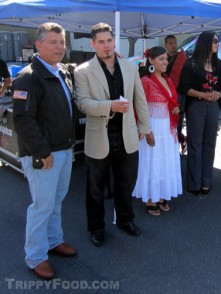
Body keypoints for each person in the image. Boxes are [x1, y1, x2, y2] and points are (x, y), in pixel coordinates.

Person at [74, 23, 150, 246]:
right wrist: (110, 106)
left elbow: (140, 98)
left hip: (127, 135)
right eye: (101, 42)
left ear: (114, 41)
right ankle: (96, 227)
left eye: (109, 41)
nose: (106, 46)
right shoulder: (82, 71)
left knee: (125, 183)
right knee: (95, 189)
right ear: (93, 44)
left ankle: (126, 220)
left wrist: (144, 126)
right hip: (99, 136)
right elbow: (83, 103)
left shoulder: (129, 66)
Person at [12, 22, 77, 280]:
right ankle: (36, 257)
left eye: (62, 42)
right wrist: (42, 152)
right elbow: (23, 120)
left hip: (64, 150)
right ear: (38, 45)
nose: (60, 47)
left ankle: (54, 240)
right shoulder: (28, 77)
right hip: (44, 156)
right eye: (53, 42)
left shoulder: (62, 71)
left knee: (56, 201)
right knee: (41, 206)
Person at [132, 46, 182, 215]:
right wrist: (146, 130)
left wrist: (175, 108)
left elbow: (171, 101)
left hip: (167, 126)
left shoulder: (166, 79)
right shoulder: (146, 80)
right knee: (152, 161)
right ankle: (150, 199)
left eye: (166, 59)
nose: (165, 62)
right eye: (161, 59)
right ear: (151, 61)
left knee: (164, 161)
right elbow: (140, 106)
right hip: (153, 126)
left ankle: (160, 195)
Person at [179, 31, 221, 196]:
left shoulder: (219, 65)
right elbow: (183, 88)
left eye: (218, 41)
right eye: (214, 41)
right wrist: (203, 94)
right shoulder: (191, 64)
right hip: (196, 107)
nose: (217, 43)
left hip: (213, 107)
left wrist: (218, 94)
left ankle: (206, 181)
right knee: (195, 144)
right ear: (205, 42)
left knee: (210, 144)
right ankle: (194, 183)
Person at [165, 35, 188, 154]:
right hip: (165, 93)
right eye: (170, 43)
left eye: (174, 43)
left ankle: (179, 139)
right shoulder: (163, 58)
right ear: (166, 45)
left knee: (177, 119)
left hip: (179, 93)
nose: (173, 45)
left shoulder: (182, 58)